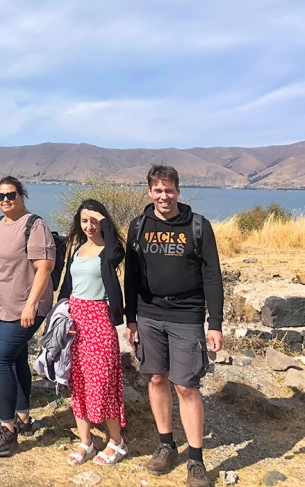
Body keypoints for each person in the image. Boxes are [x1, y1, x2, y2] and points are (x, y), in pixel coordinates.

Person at [124, 165, 223, 487]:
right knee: (156, 378)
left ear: (177, 191)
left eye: (169, 190)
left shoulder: (198, 226)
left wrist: (215, 323)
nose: (163, 196)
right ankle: (166, 444)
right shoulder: (138, 226)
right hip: (149, 313)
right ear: (150, 192)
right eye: (157, 190)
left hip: (187, 315)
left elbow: (212, 276)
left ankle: (196, 459)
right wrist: (131, 319)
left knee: (186, 386)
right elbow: (132, 277)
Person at [0, 177, 55, 456]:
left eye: (11, 194)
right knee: (14, 359)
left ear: (22, 195)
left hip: (24, 307)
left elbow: (45, 268)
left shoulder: (34, 225)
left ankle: (7, 429)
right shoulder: (0, 224)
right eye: (0, 196)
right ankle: (23, 418)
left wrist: (31, 305)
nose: (5, 200)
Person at [57, 199, 127, 466]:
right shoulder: (75, 249)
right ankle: (86, 441)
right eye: (84, 220)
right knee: (78, 381)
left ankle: (116, 441)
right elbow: (67, 286)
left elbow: (114, 256)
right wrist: (62, 318)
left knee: (105, 382)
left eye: (95, 220)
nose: (89, 226)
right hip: (75, 320)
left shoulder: (110, 250)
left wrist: (104, 221)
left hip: (99, 320)